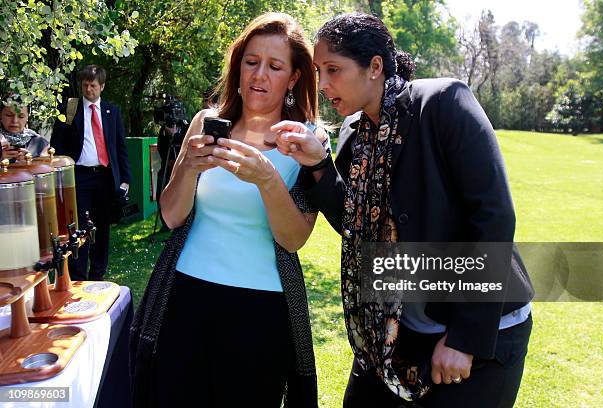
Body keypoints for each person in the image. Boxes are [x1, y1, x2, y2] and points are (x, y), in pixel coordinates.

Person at [273, 12, 534, 408]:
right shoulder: (355, 131)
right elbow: (356, 222)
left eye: (333, 70)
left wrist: (465, 338)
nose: (323, 85)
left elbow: (493, 217)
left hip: (483, 334)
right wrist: (319, 165)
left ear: (374, 66)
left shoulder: (444, 103)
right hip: (394, 332)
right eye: (318, 71)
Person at [130, 12, 321, 407]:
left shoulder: (307, 139)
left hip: (260, 310)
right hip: (184, 296)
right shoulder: (207, 122)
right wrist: (188, 167)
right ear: (238, 65)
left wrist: (267, 179)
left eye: (275, 66)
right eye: (252, 62)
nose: (259, 75)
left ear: (295, 76)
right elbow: (170, 215)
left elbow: (294, 238)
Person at [50, 65, 131, 281]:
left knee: (102, 227)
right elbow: (57, 144)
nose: (89, 90)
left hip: (105, 177)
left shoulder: (111, 111)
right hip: (79, 177)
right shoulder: (70, 109)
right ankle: (78, 276)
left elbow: (119, 147)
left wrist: (125, 179)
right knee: (79, 227)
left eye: (93, 86)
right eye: (85, 85)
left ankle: (98, 275)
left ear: (102, 86)